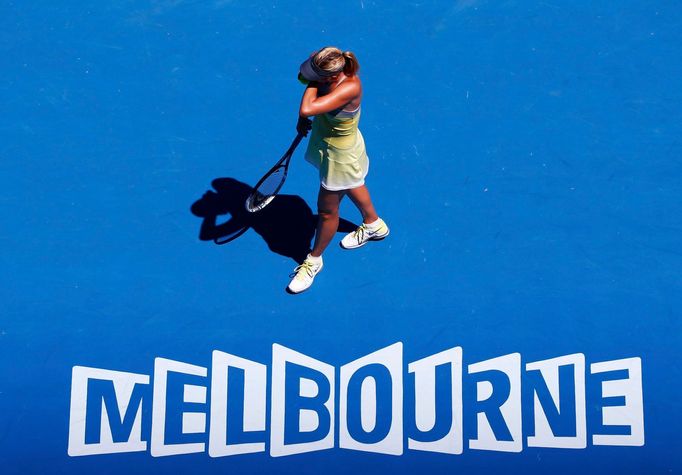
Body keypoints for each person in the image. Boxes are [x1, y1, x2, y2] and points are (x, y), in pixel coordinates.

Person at [287, 47, 389, 294]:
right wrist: (313, 78)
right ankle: (374, 224)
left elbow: (307, 108)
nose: (310, 77)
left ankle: (314, 260)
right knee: (354, 183)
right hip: (330, 141)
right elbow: (303, 77)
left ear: (331, 77)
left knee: (326, 212)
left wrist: (310, 92)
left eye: (317, 75)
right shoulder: (331, 64)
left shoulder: (349, 87)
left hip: (340, 156)